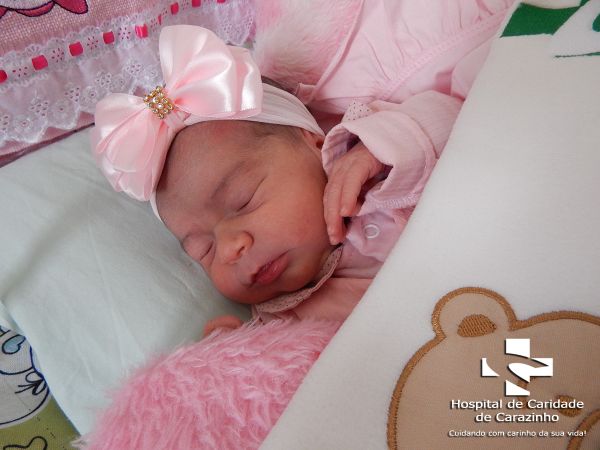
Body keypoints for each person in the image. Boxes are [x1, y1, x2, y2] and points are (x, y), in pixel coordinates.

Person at [91, 25, 460, 336]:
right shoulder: (282, 320)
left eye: (243, 200)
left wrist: (377, 149)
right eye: (204, 250)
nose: (231, 248)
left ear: (316, 144)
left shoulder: (380, 166)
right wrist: (239, 355)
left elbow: (462, 121)